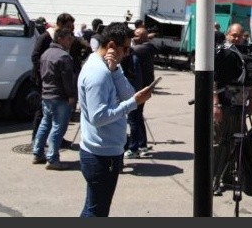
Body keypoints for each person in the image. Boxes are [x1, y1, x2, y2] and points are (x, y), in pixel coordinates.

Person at [77, 22, 154, 217]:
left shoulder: (107, 68)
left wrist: (116, 70)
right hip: (100, 155)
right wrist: (133, 103)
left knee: (94, 208)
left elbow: (128, 94)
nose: (128, 53)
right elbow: (98, 117)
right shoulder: (98, 73)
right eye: (126, 48)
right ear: (111, 45)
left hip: (105, 151)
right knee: (96, 211)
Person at [212, 22, 252, 196]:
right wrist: (216, 104)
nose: (236, 39)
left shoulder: (246, 54)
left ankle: (227, 176)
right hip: (223, 105)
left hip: (239, 106)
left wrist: (251, 103)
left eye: (240, 36)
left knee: (234, 143)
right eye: (233, 35)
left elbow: (251, 81)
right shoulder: (221, 53)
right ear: (228, 34)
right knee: (218, 143)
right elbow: (212, 79)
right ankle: (213, 180)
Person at [32, 26, 77, 170]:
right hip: (59, 96)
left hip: (47, 94)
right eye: (68, 38)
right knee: (58, 127)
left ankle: (38, 153)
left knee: (45, 123)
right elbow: (68, 79)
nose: (71, 41)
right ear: (60, 39)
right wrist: (71, 95)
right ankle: (52, 158)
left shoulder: (46, 54)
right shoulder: (63, 56)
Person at [123, 27, 159, 157]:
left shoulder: (138, 50)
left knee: (133, 118)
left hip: (139, 89)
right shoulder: (147, 48)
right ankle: (142, 144)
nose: (134, 37)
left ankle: (134, 147)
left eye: (137, 35)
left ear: (145, 37)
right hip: (144, 88)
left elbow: (127, 54)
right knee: (138, 117)